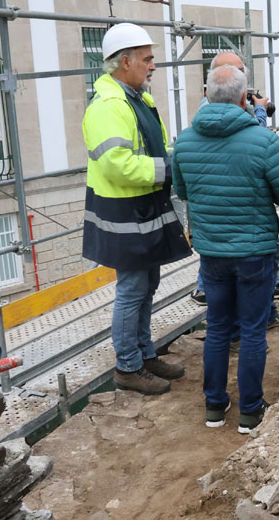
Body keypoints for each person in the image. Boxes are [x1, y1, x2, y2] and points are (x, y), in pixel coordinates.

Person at [171, 64, 279, 430]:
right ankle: (250, 410)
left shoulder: (184, 141)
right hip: (255, 253)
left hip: (212, 252)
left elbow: (183, 192)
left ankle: (214, 406)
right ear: (245, 98)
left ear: (207, 96)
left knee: (217, 328)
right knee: (251, 330)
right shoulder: (261, 140)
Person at [82, 23, 192, 395]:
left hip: (143, 207)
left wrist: (172, 161)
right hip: (123, 213)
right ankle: (127, 366)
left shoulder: (136, 99)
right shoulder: (109, 106)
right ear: (124, 61)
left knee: (148, 283)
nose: (153, 66)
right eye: (147, 59)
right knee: (132, 288)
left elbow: (152, 148)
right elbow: (117, 164)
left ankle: (144, 354)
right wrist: (170, 170)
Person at [189, 51, 279, 327]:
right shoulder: (224, 112)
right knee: (251, 323)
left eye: (239, 69)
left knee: (220, 324)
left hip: (215, 229)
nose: (239, 76)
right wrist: (260, 110)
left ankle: (247, 318)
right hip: (246, 224)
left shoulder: (194, 128)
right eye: (231, 70)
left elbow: (183, 186)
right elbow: (255, 140)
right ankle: (263, 313)